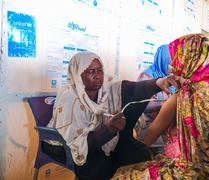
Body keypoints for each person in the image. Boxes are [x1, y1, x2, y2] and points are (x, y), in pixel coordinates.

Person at [112, 34, 209, 179]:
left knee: (122, 174)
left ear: (189, 61)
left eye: (178, 58)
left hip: (194, 172)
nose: (174, 63)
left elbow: (148, 138)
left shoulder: (184, 97)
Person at [45, 51, 179, 179]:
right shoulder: (70, 99)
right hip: (66, 145)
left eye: (99, 70)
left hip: (101, 138)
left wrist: (158, 83)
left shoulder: (106, 86)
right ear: (77, 74)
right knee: (101, 166)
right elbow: (78, 142)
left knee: (139, 153)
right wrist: (109, 130)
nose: (97, 75)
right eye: (90, 71)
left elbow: (131, 89)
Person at [135, 44, 171, 148]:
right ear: (162, 61)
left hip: (165, 126)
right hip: (148, 125)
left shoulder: (171, 78)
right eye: (170, 63)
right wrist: (165, 104)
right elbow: (142, 105)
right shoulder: (147, 77)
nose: (173, 66)